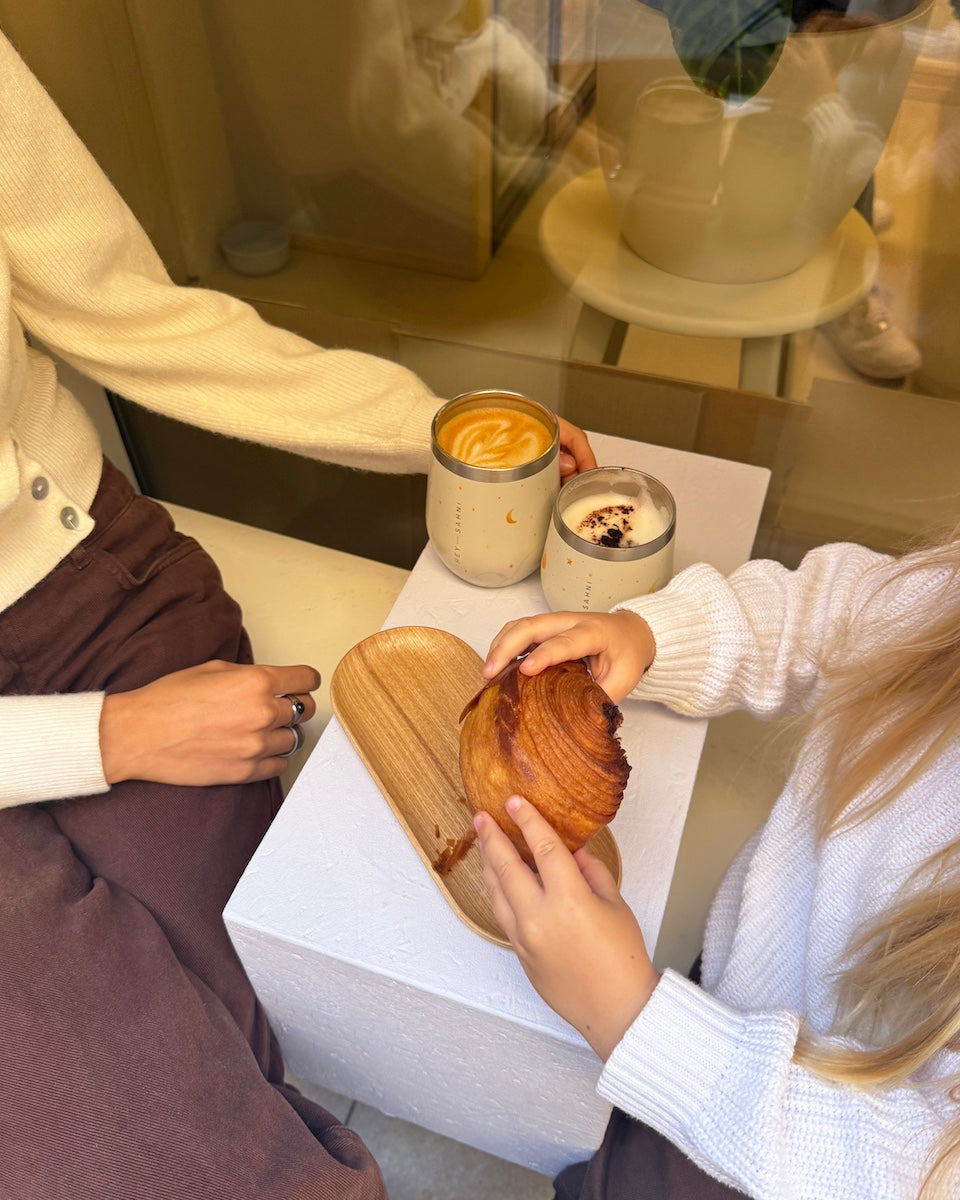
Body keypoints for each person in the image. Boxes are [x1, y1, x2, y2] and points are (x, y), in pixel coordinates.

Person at [0, 27, 595, 1200]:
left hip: (96, 595)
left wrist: (434, 429)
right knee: (130, 1141)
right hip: (101, 713)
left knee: (250, 994)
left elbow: (134, 317)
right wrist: (111, 739)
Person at [474, 534, 960, 1198]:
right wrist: (653, 633)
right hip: (738, 990)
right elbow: (841, 613)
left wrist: (634, 1019)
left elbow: (922, 1173)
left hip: (776, 1161)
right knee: (616, 1153)